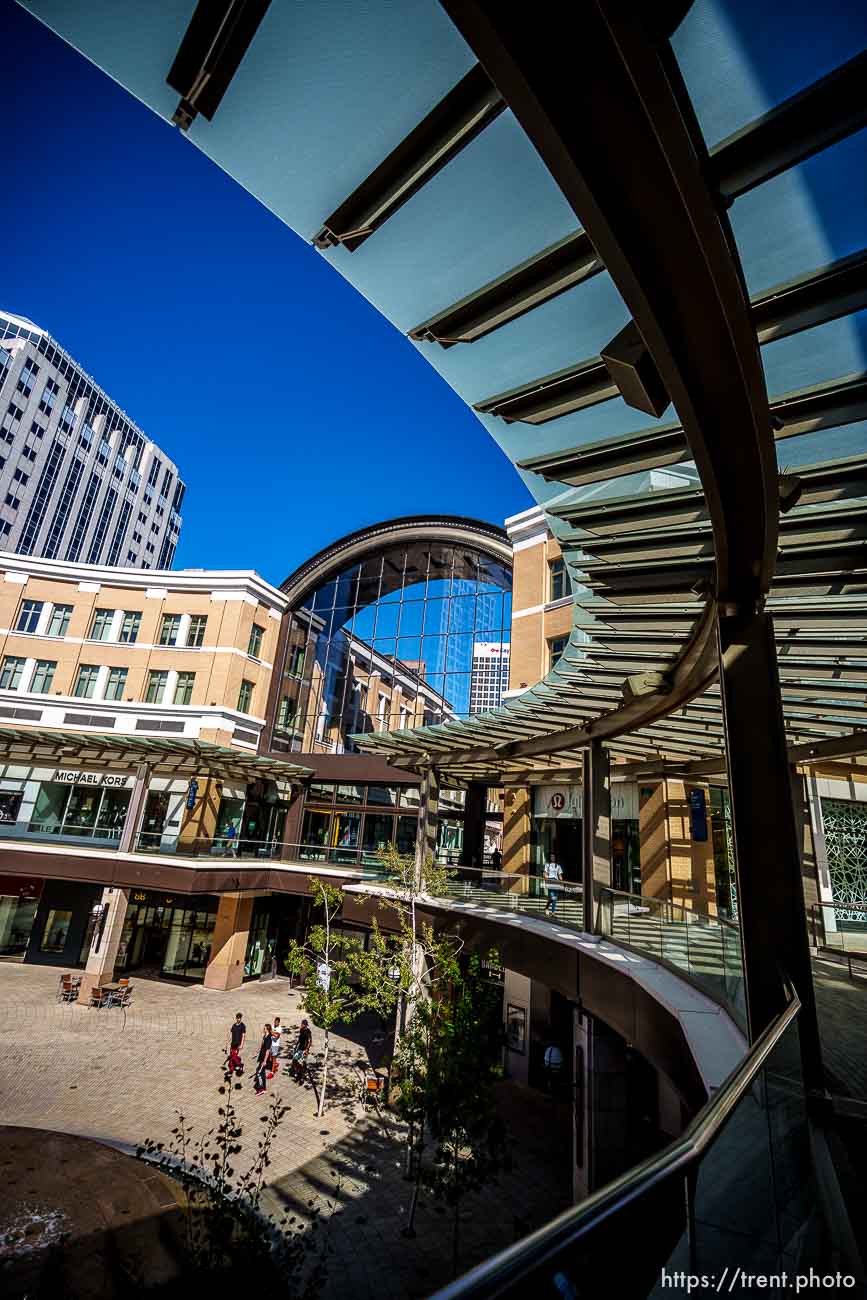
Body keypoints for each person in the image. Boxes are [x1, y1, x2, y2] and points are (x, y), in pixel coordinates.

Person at [254, 1023, 273, 1095]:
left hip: (264, 1059)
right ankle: (264, 1088)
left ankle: (261, 1088)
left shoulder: (269, 1038)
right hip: (262, 1057)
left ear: (267, 1029)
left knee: (259, 1072)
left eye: (264, 1028)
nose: (263, 1029)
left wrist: (265, 1061)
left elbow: (268, 1050)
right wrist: (258, 1052)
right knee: (262, 1072)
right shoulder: (265, 1036)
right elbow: (262, 1046)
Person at [291, 1019, 312, 1083]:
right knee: (294, 1060)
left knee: (303, 1063)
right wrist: (296, 1045)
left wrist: (306, 1049)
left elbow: (310, 1041)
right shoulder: (301, 1030)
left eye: (302, 1024)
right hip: (299, 1048)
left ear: (305, 1025)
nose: (301, 1025)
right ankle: (298, 1072)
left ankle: (302, 1077)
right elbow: (299, 1039)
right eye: (301, 1024)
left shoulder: (308, 1032)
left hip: (304, 1050)